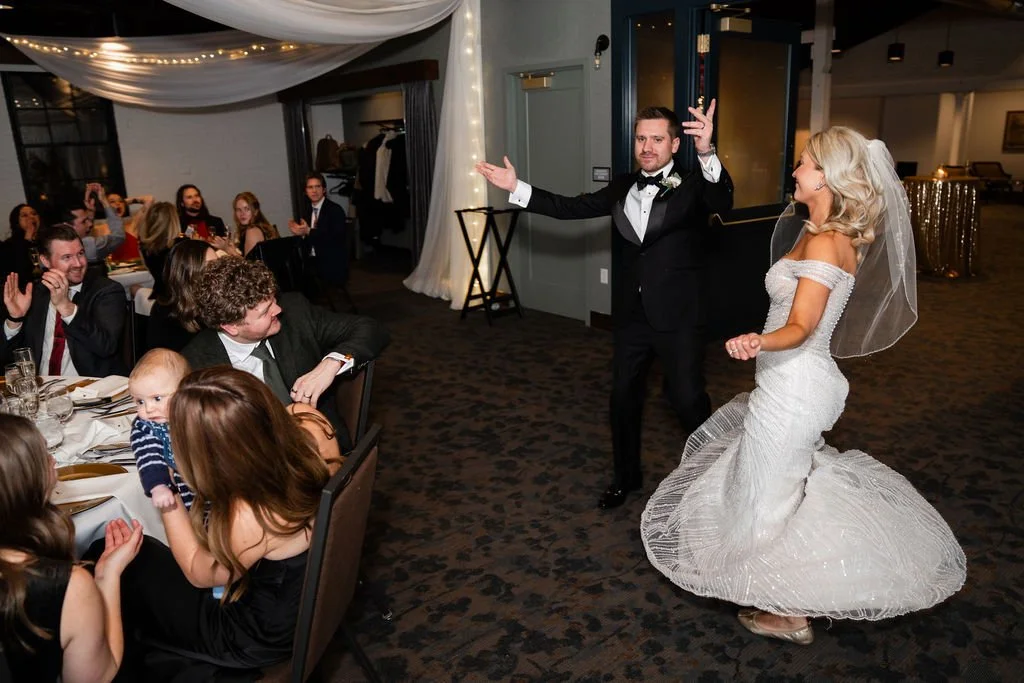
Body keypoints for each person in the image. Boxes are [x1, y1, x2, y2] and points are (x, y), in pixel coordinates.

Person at [639, 127, 966, 644]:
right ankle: (774, 587)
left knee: (771, 490)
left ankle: (790, 611)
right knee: (771, 482)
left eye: (805, 164)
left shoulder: (827, 242)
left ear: (827, 177)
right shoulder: (814, 231)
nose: (795, 171)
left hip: (796, 384)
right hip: (787, 382)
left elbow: (802, 327)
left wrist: (758, 341)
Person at [477, 102, 734, 510]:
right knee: (622, 400)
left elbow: (722, 201)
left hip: (679, 317)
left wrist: (706, 151)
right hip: (631, 317)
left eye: (656, 139)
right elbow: (569, 208)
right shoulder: (621, 186)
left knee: (687, 400)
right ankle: (625, 477)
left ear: (674, 144)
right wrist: (517, 187)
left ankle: (717, 475)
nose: (647, 147)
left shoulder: (693, 184)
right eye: (641, 138)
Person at [112, 367, 343, 677]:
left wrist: (167, 494)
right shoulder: (307, 421)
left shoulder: (252, 512)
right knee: (137, 555)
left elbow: (200, 573)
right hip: (314, 593)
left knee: (121, 565)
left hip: (256, 632)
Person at [182, 256, 389, 449]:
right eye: (265, 311)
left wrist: (331, 363)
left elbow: (370, 329)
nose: (277, 310)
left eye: (273, 299)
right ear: (231, 327)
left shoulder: (295, 312)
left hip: (325, 447)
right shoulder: (197, 365)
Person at [0, 413, 143, 683]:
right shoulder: (65, 586)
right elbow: (98, 676)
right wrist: (107, 577)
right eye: (45, 456)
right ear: (25, 482)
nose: (54, 461)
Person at [1, 224, 128, 376]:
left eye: (80, 253)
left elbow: (106, 347)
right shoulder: (36, 293)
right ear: (45, 261)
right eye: (67, 257)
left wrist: (66, 307)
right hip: (43, 385)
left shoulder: (106, 291)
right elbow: (8, 359)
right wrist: (15, 319)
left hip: (89, 386)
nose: (78, 263)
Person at [128, 349, 194, 510]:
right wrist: (158, 486)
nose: (148, 409)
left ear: (184, 391)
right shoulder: (146, 427)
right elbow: (149, 458)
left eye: (157, 398)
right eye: (140, 401)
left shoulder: (198, 413)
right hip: (187, 498)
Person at [146, 240, 217, 353]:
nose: (219, 271)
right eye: (211, 265)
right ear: (190, 271)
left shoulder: (213, 300)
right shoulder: (168, 312)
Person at [288, 172, 349, 290]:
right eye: (310, 187)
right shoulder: (307, 211)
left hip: (331, 262)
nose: (314, 191)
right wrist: (300, 234)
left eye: (317, 186)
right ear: (306, 191)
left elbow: (335, 238)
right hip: (312, 261)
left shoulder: (334, 210)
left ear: (324, 189)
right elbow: (308, 239)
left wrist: (308, 231)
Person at [138, 202, 186, 301]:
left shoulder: (145, 247)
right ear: (173, 221)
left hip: (159, 298)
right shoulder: (182, 244)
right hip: (180, 300)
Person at [215, 191, 279, 257]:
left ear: (256, 211)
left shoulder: (252, 231)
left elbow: (249, 263)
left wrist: (227, 249)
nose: (242, 214)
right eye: (239, 210)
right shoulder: (258, 228)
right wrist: (233, 249)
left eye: (247, 209)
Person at [105, 192, 155, 262]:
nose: (118, 203)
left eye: (120, 201)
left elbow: (150, 200)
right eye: (112, 201)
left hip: (136, 268)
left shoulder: (132, 225)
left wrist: (126, 202)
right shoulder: (99, 229)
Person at [2, 203, 41, 286]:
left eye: (34, 214)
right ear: (17, 222)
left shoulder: (46, 240)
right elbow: (19, 273)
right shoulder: (9, 246)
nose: (31, 217)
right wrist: (28, 238)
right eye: (24, 215)